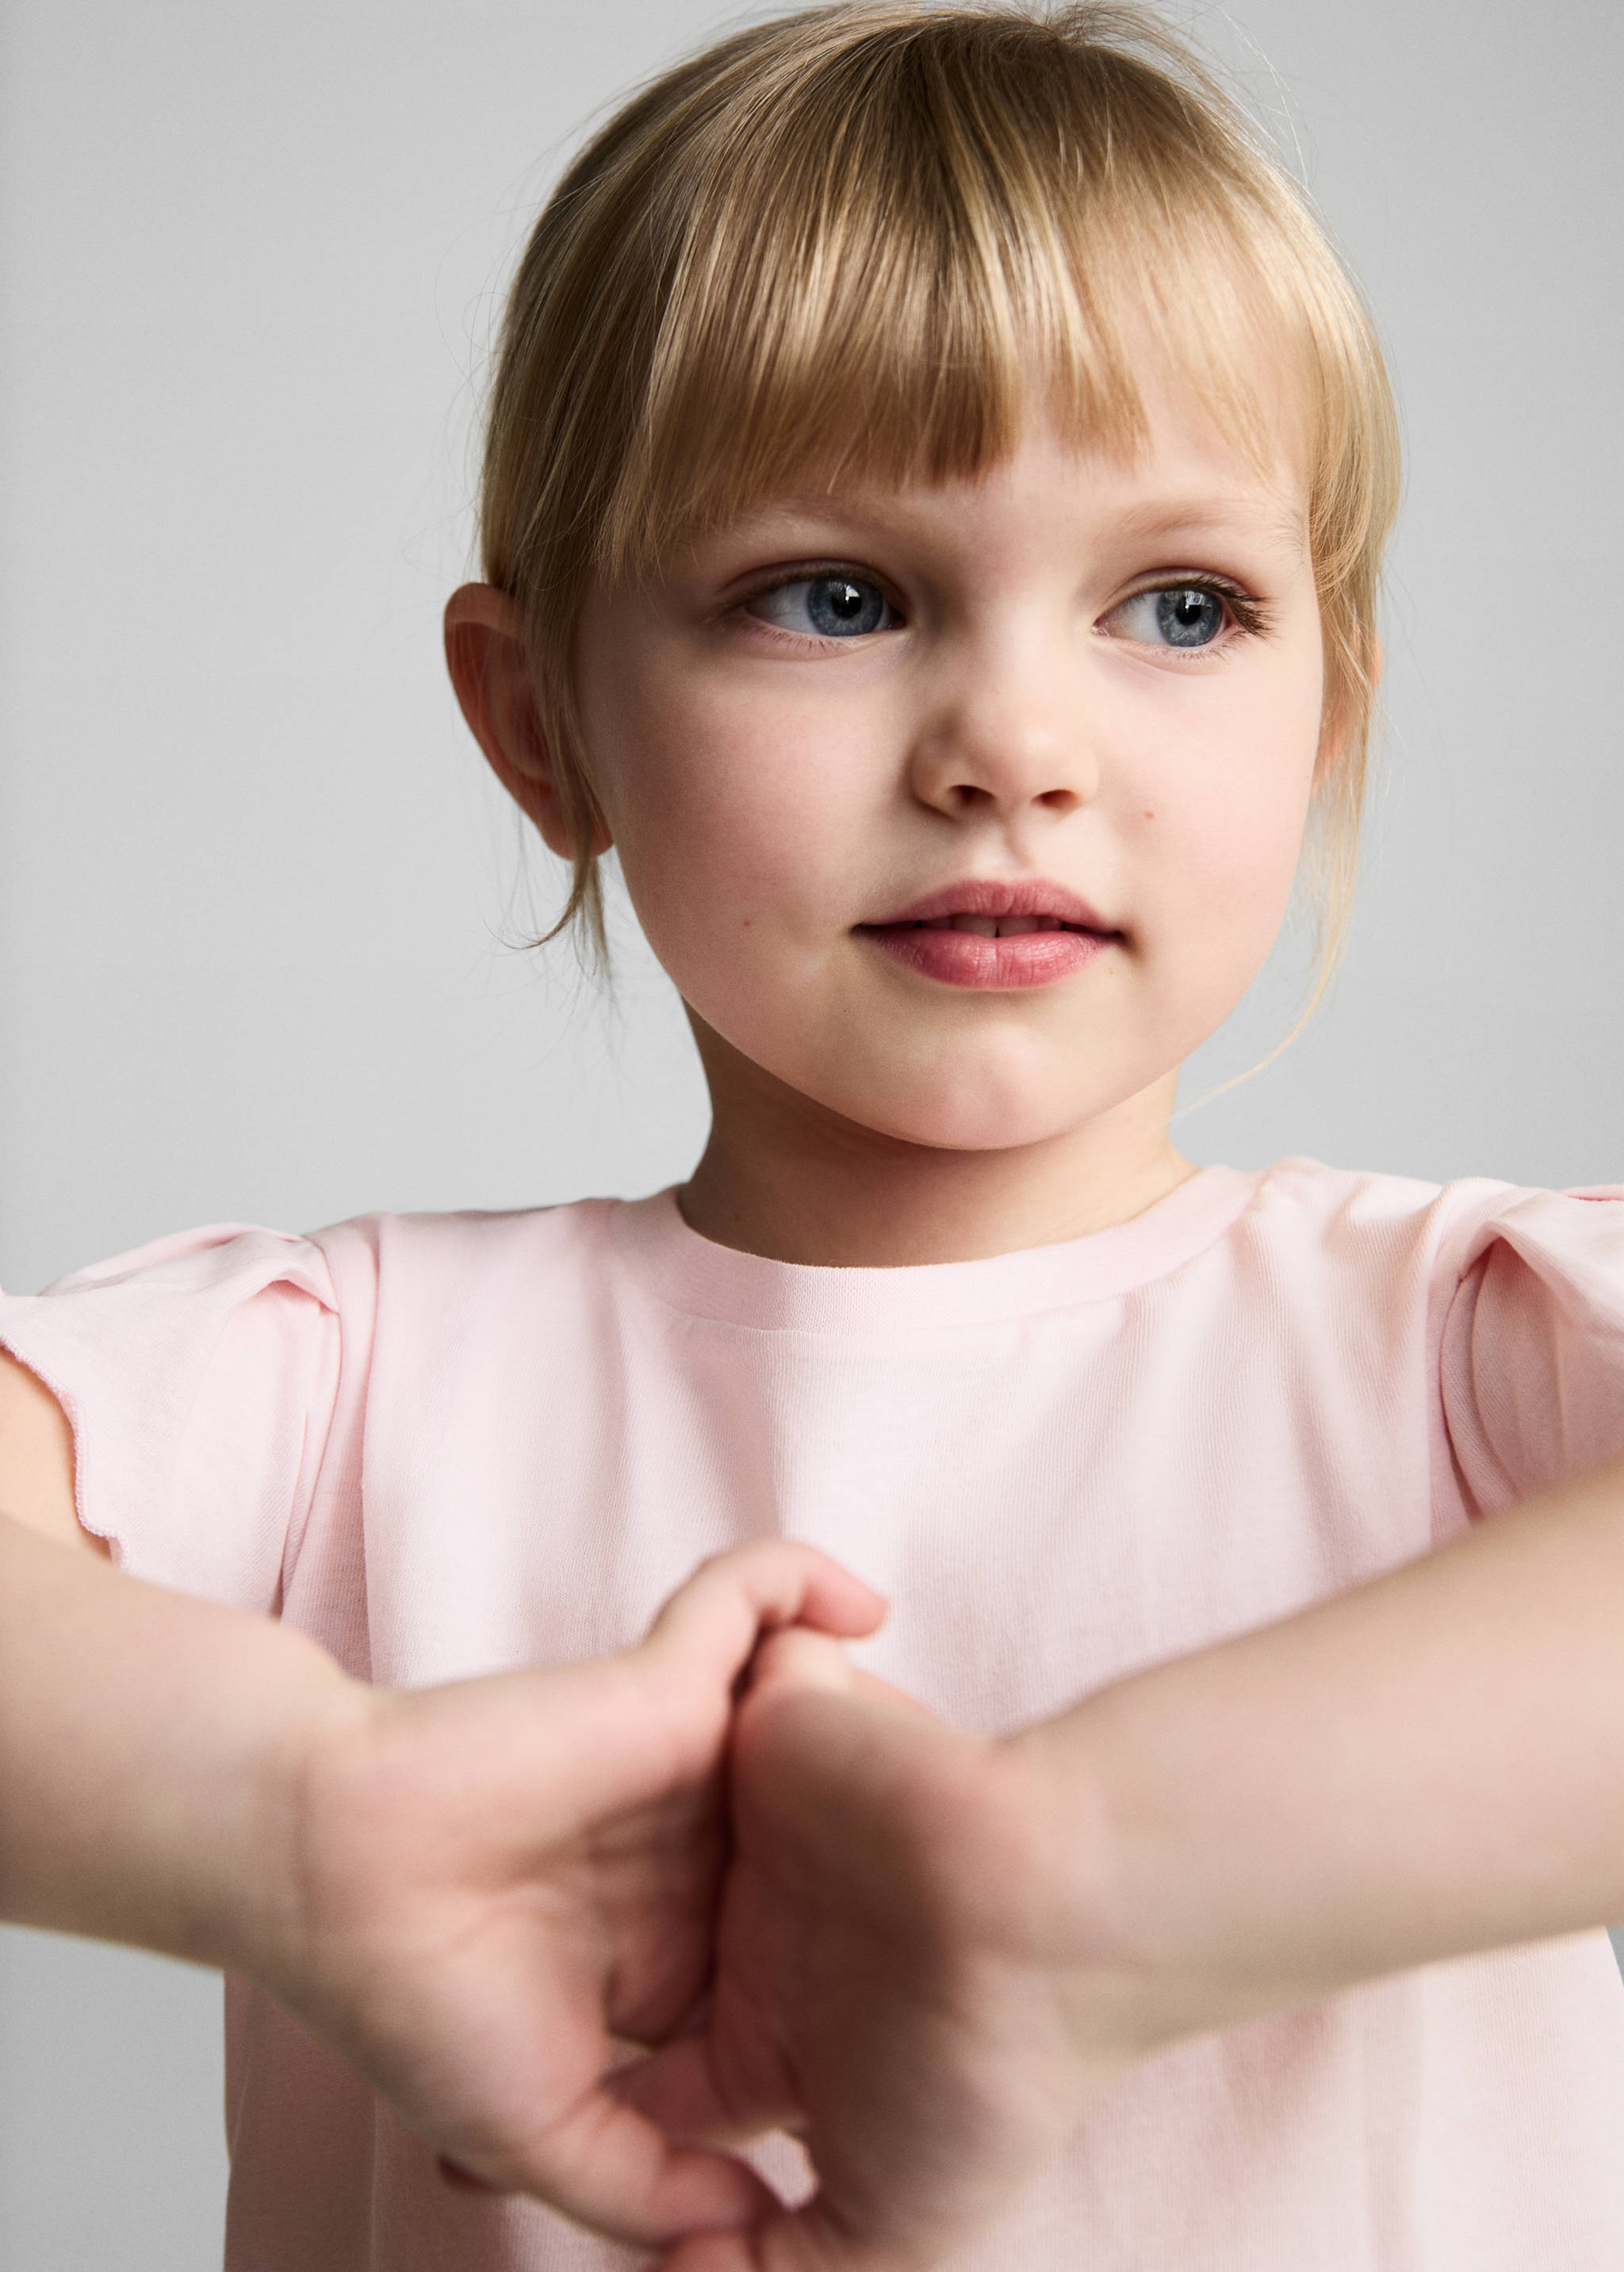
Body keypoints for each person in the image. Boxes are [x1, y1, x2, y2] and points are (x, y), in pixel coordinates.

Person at [2, 3, 1623, 2268]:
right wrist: (294, 1815)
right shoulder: (344, 1378)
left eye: (1183, 605)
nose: (1013, 742)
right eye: (836, 598)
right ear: (541, 719)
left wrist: (1084, 1895)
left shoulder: (1468, 1350)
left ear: (1327, 716)